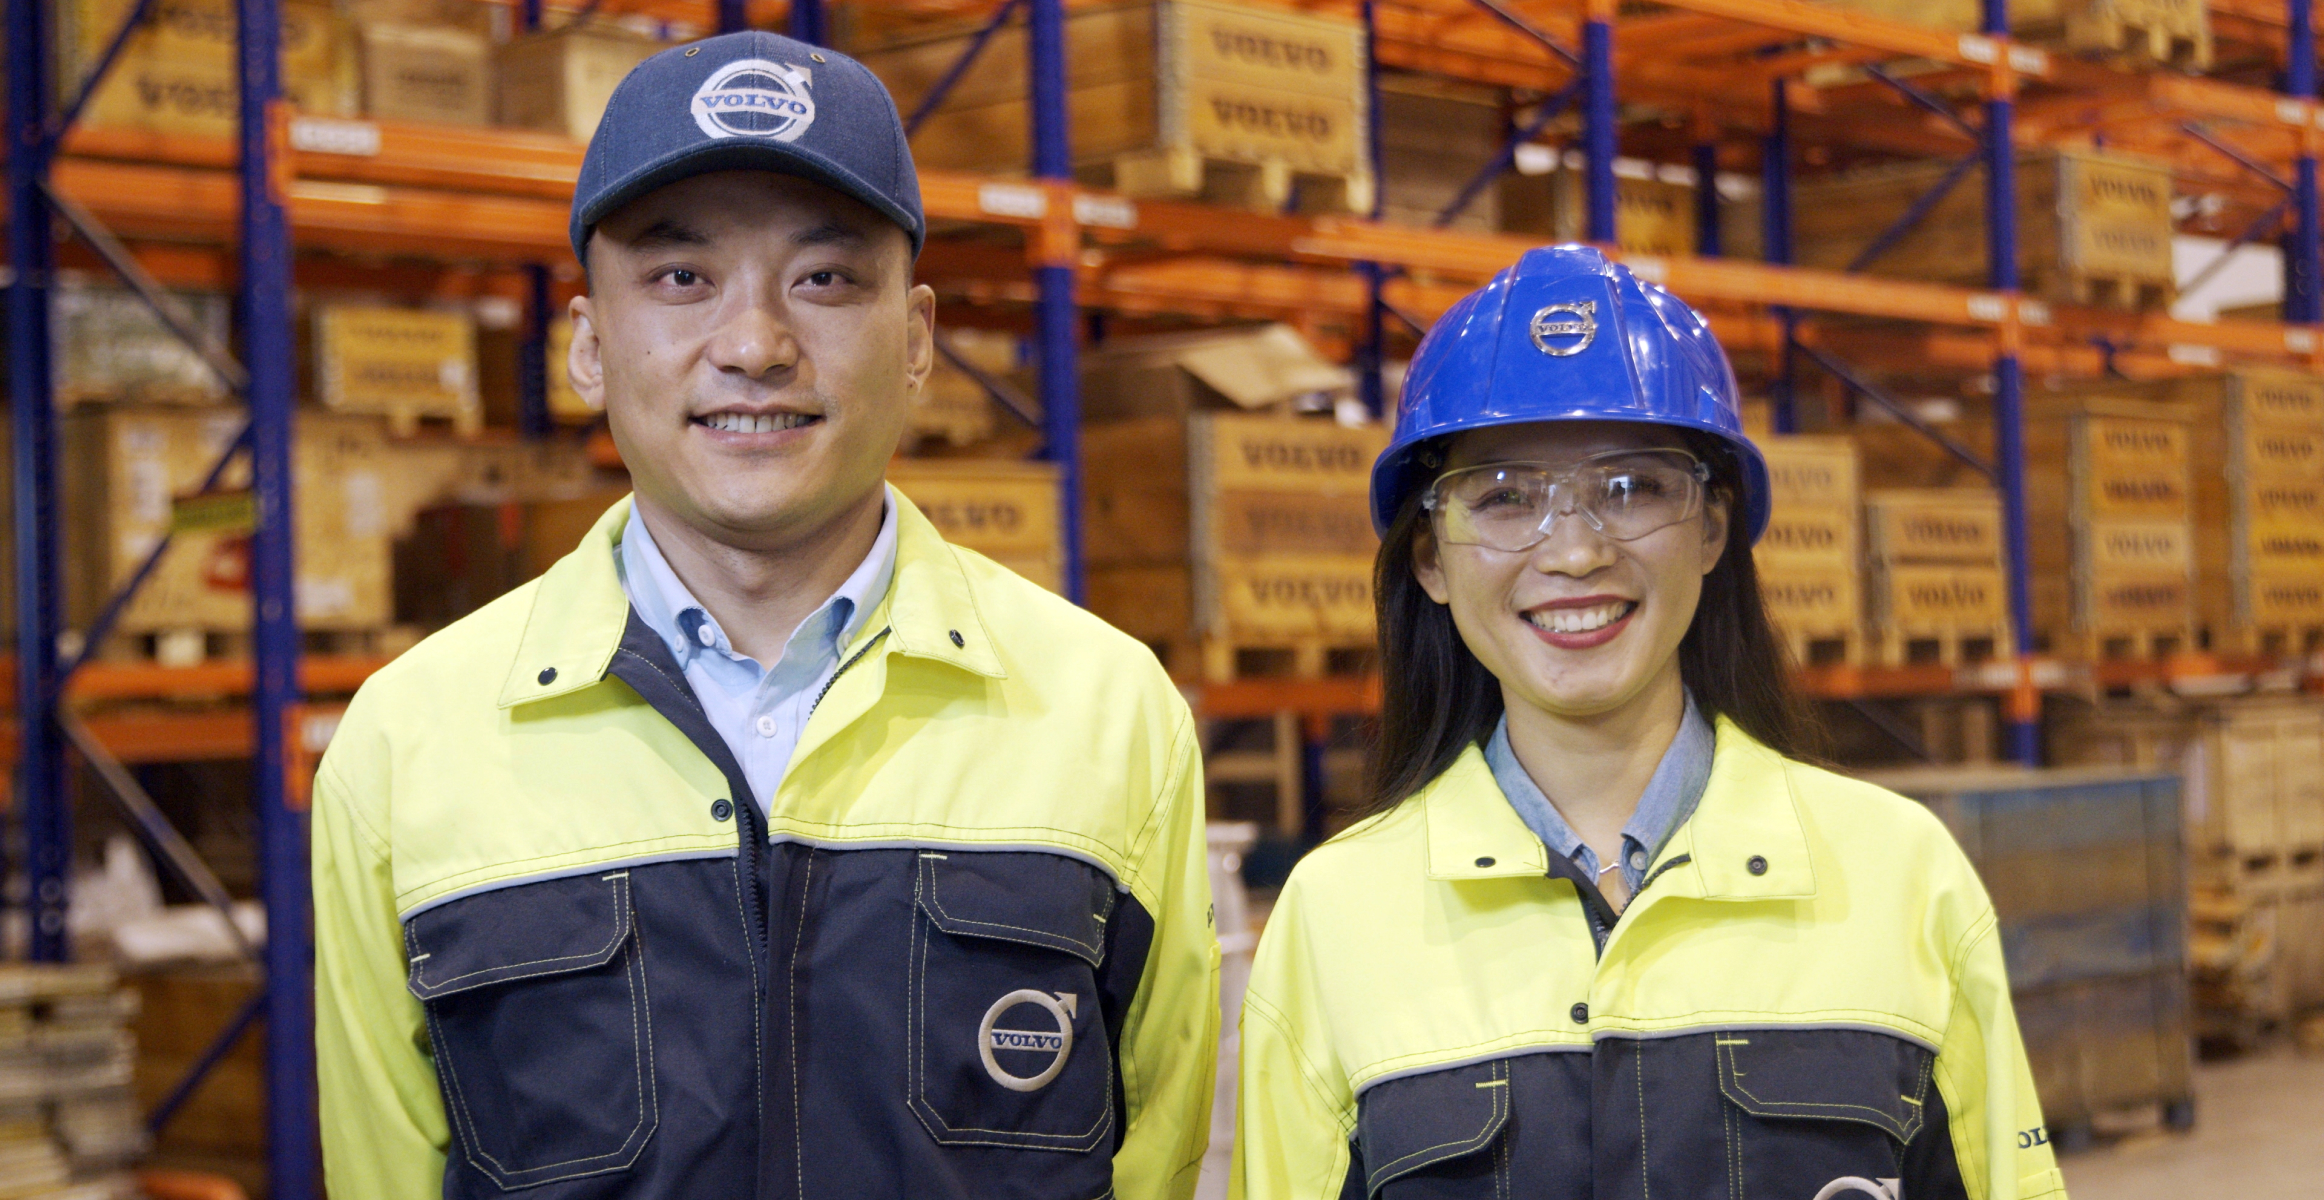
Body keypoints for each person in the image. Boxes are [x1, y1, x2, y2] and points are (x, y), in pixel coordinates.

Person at [313, 32, 1217, 1200]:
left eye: (824, 279)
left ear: (917, 342)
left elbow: (1159, 1157)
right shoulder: (409, 744)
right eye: (680, 279)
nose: (753, 347)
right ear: (586, 346)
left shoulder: (1105, 712)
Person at [1230, 246, 2064, 1200]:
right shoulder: (1336, 917)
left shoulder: (1900, 878)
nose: (1576, 552)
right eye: (1504, 498)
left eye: (1630, 489)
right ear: (1430, 558)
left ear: (1712, 528)